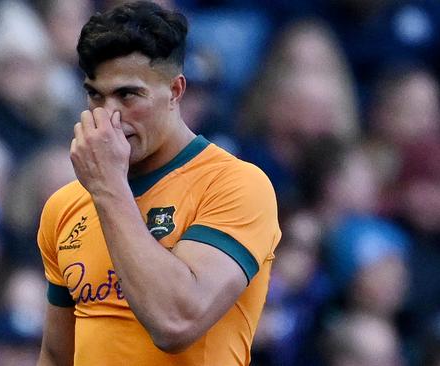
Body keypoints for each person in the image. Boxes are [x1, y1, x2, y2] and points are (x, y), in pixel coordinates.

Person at [36, 2, 281, 365]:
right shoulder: (65, 206)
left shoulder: (236, 185)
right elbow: (57, 356)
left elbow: (176, 322)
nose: (108, 115)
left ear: (176, 90)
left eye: (128, 95)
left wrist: (108, 188)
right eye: (95, 95)